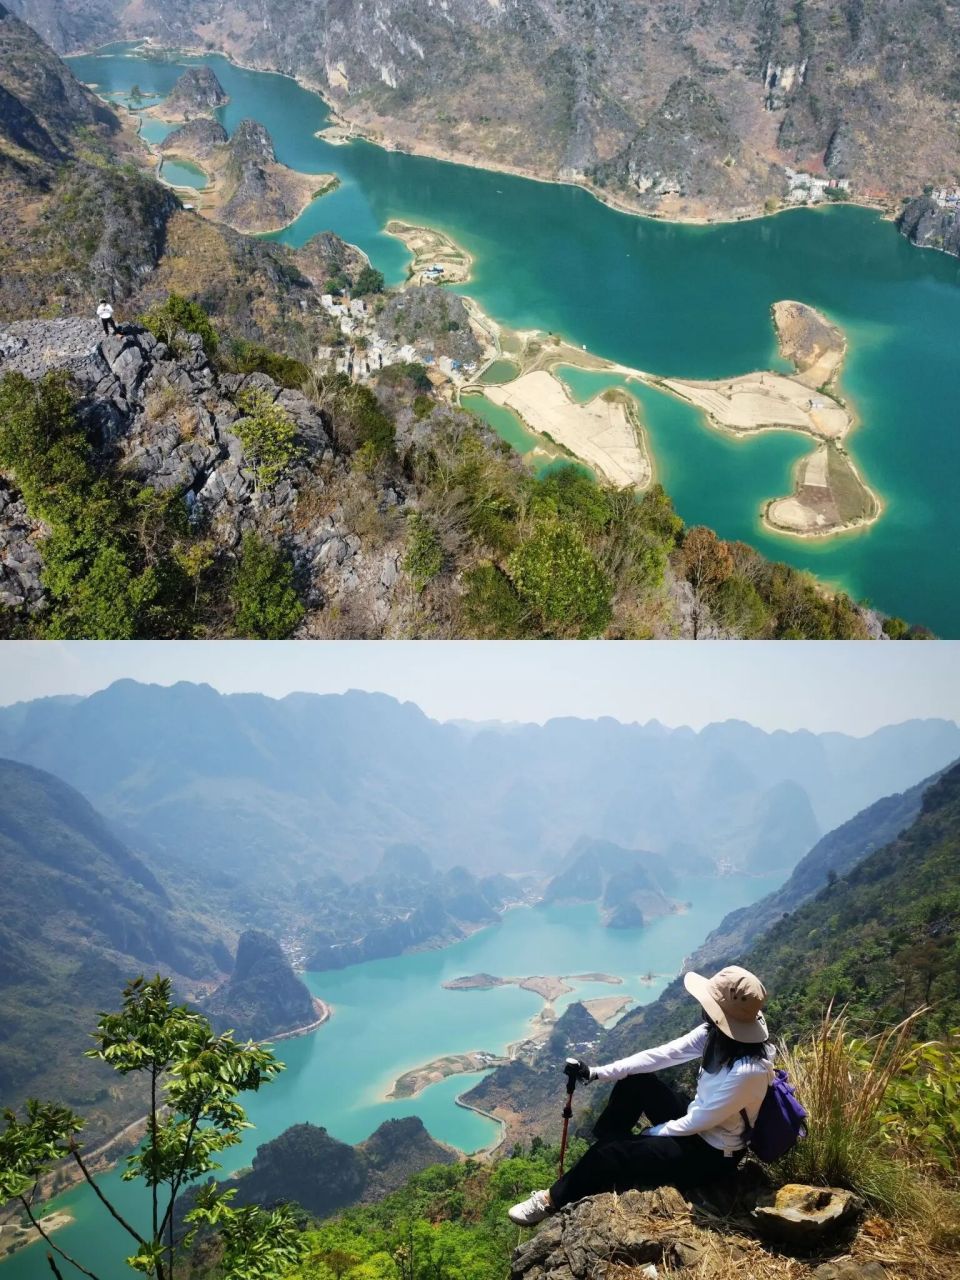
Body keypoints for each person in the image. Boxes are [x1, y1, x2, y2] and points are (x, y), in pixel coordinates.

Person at [508, 965, 774, 1226]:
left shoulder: (748, 1071)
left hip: (710, 1154)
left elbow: (699, 1122)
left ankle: (550, 1200)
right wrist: (597, 1073)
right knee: (635, 1081)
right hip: (700, 1122)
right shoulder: (716, 1035)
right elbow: (662, 1055)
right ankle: (608, 1154)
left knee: (611, 1151)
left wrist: (649, 1134)